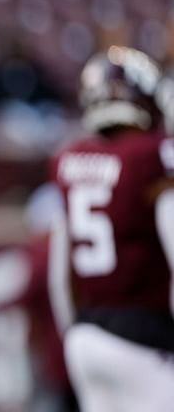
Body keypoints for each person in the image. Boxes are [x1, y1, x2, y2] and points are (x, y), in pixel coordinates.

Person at [48, 46, 174, 412]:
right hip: (144, 336)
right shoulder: (151, 157)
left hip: (86, 335)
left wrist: (74, 332)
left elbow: (60, 275)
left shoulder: (69, 159)